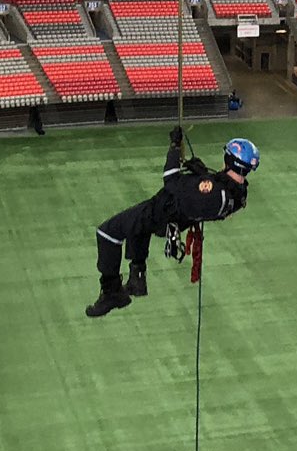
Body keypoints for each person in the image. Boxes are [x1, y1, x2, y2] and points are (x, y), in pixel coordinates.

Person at [87, 129, 257, 318]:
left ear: (230, 160)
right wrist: (202, 174)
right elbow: (216, 186)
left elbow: (171, 180)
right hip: (173, 219)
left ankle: (111, 292)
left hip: (162, 213)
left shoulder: (213, 193)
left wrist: (174, 147)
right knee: (136, 227)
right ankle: (137, 277)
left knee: (108, 232)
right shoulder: (238, 193)